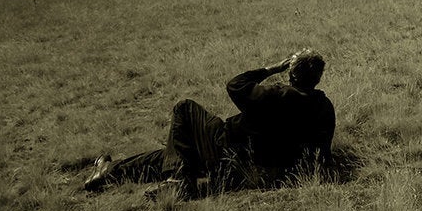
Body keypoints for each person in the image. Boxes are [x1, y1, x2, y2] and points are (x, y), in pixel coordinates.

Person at [83, 49, 335, 200]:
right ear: (318, 77)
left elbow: (234, 85)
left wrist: (271, 68)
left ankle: (178, 182)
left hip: (228, 149)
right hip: (259, 165)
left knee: (184, 107)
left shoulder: (277, 96)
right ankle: (110, 172)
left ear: (291, 74)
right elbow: (322, 151)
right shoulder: (324, 107)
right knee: (176, 153)